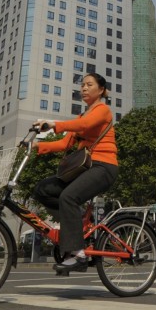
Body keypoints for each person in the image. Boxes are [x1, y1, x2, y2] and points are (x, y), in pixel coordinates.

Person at [32, 73, 118, 275]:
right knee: (42, 190)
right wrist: (36, 146)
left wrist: (54, 124)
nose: (84, 88)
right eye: (82, 85)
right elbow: (64, 143)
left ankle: (79, 255)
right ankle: (74, 222)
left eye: (89, 85)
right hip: (86, 168)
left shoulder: (102, 110)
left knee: (68, 197)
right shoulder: (81, 117)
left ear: (101, 90)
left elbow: (85, 126)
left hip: (104, 167)